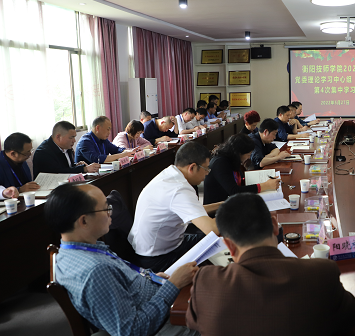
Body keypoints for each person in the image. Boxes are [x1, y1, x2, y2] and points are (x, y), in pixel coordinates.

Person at [186, 193, 355, 336]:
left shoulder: (206, 282)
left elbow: (192, 321)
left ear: (229, 246)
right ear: (275, 226)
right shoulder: (321, 272)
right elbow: (350, 316)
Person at [45, 183, 199, 336]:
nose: (110, 213)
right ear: (84, 221)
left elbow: (118, 284)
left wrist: (151, 279)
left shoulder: (71, 251)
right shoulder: (96, 271)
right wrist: (173, 285)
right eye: (105, 208)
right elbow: (132, 330)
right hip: (164, 324)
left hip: (154, 303)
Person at [129, 142, 219, 273]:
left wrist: (223, 204)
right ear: (192, 167)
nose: (207, 174)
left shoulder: (170, 174)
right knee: (220, 239)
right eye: (206, 169)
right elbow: (212, 229)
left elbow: (195, 210)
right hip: (157, 259)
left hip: (154, 248)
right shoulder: (179, 189)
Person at [203, 134, 280, 205]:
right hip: (218, 208)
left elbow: (241, 181)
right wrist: (265, 185)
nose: (249, 157)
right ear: (238, 153)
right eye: (248, 154)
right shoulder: (220, 163)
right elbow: (234, 191)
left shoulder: (232, 159)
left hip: (231, 202)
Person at [33, 121, 101, 177]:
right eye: (71, 137)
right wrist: (84, 169)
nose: (74, 140)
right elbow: (58, 173)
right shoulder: (43, 152)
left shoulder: (66, 147)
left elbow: (67, 167)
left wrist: (76, 165)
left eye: (74, 137)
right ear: (58, 137)